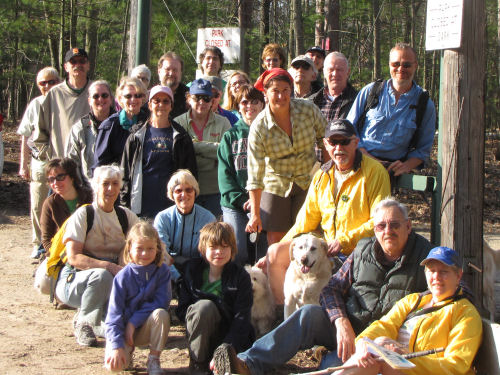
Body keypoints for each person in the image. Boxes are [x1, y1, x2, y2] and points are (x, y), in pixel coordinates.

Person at [210, 198, 435, 375]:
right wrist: (341, 321)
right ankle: (246, 364)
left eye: (394, 225)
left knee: (330, 367)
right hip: (349, 330)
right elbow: (332, 288)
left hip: (388, 344)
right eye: (381, 225)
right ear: (374, 229)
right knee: (307, 314)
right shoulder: (363, 250)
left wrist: (403, 337)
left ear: (408, 226)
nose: (387, 231)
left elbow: (454, 289)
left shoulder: (426, 256)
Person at [262, 119, 390, 305]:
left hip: (360, 251)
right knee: (274, 254)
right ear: (325, 145)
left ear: (355, 142)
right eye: (333, 142)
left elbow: (381, 221)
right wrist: (274, 250)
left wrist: (345, 240)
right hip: (325, 251)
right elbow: (305, 221)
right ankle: (283, 316)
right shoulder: (322, 175)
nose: (339, 148)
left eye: (344, 142)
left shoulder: (374, 172)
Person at [333, 246, 482, 375]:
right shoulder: (413, 301)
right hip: (395, 367)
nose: (436, 277)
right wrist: (362, 346)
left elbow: (456, 366)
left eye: (444, 272)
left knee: (382, 347)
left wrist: (407, 358)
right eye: (431, 271)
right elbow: (384, 325)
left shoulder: (465, 314)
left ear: (458, 275)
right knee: (375, 347)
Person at [55, 165, 139, 347]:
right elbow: (74, 257)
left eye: (115, 184)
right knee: (102, 276)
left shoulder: (126, 216)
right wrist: (109, 266)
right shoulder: (84, 215)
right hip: (75, 281)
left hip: (113, 281)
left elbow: (141, 246)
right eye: (105, 184)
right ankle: (83, 323)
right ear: (95, 186)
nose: (110, 189)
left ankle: (101, 322)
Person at [246, 68, 327, 246]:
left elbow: (326, 140)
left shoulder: (308, 109)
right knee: (278, 240)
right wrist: (255, 215)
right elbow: (255, 175)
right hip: (276, 183)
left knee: (308, 237)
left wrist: (330, 177)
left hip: (308, 179)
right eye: (275, 91)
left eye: (285, 91)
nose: (281, 97)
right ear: (265, 93)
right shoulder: (259, 127)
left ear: (291, 90)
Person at [347, 43, 436, 176]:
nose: (401, 69)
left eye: (406, 65)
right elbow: (349, 128)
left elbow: (423, 149)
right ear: (389, 65)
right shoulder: (370, 91)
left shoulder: (424, 104)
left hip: (392, 172)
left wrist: (406, 166)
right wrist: (365, 156)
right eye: (396, 64)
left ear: (415, 66)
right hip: (360, 163)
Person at [177, 222, 254, 375]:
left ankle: (223, 360)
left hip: (230, 335)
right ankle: (198, 363)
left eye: (225, 247)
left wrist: (225, 351)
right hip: (200, 333)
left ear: (232, 249)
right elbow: (182, 310)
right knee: (204, 307)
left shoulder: (240, 276)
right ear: (203, 248)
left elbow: (242, 318)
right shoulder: (191, 271)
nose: (219, 252)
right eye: (213, 247)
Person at [104, 221, 171, 375]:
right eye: (139, 249)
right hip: (123, 330)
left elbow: (162, 302)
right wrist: (116, 345)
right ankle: (126, 353)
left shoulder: (162, 272)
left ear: (157, 249)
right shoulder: (122, 277)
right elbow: (114, 314)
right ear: (130, 249)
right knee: (115, 367)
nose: (145, 254)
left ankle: (154, 359)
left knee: (161, 314)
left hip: (146, 326)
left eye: (150, 249)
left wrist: (133, 323)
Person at [120, 85, 197, 218]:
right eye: (156, 101)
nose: (161, 104)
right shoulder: (136, 135)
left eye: (165, 101)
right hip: (141, 205)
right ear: (149, 105)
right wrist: (124, 204)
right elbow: (125, 173)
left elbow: (191, 173)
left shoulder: (181, 136)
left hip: (171, 206)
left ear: (171, 106)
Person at [218, 85, 266, 265]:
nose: (250, 106)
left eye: (255, 101)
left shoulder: (270, 133)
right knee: (237, 251)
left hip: (264, 201)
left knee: (264, 251)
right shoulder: (230, 136)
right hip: (235, 204)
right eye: (245, 102)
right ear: (238, 106)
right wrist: (243, 201)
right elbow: (225, 177)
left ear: (262, 104)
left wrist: (257, 201)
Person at [17, 66, 61, 258]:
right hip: (40, 161)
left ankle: (57, 244)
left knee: (60, 204)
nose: (47, 86)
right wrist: (23, 164)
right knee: (38, 204)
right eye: (43, 83)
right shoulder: (34, 105)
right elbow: (25, 137)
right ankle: (39, 243)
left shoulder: (63, 102)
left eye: (52, 81)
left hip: (61, 162)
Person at [174, 79, 231, 217]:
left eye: (206, 98)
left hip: (215, 191)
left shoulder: (223, 122)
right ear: (188, 99)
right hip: (186, 190)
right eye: (197, 98)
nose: (201, 102)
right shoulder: (178, 122)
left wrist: (193, 146)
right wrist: (212, 149)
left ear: (212, 101)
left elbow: (226, 151)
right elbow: (178, 153)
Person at [153, 170, 216, 281]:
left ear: (195, 192)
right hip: (170, 266)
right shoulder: (162, 218)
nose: (184, 195)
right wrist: (178, 279)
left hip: (198, 268)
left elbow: (209, 255)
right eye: (178, 191)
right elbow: (161, 253)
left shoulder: (208, 218)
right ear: (172, 194)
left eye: (188, 190)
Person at [34, 48, 92, 161]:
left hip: (92, 164)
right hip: (61, 162)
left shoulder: (98, 92)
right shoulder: (54, 94)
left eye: (82, 61)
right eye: (73, 62)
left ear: (88, 65)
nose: (78, 65)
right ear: (66, 67)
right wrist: (48, 155)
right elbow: (41, 131)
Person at [65, 80, 115, 183]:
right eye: (96, 96)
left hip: (116, 188)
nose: (100, 99)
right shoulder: (79, 129)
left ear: (111, 99)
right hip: (88, 189)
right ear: (89, 101)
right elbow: (71, 163)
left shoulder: (121, 125)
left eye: (104, 95)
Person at [93, 77, 149, 167]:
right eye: (128, 96)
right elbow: (100, 163)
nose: (133, 99)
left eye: (137, 95)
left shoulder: (151, 122)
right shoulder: (109, 126)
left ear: (143, 97)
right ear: (120, 98)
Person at [40, 158, 93, 253]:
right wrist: (63, 255)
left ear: (72, 177)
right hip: (62, 255)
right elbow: (46, 239)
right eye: (51, 179)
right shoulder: (50, 203)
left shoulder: (91, 198)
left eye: (60, 177)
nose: (55, 183)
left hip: (91, 251)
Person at [310, 52, 358, 123]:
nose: (335, 74)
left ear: (348, 72)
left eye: (339, 70)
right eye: (331, 70)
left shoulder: (358, 101)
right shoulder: (312, 101)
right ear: (324, 72)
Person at [157, 51, 189, 118]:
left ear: (181, 72)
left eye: (175, 70)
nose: (171, 73)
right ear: (159, 71)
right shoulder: (149, 96)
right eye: (167, 69)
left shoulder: (190, 96)